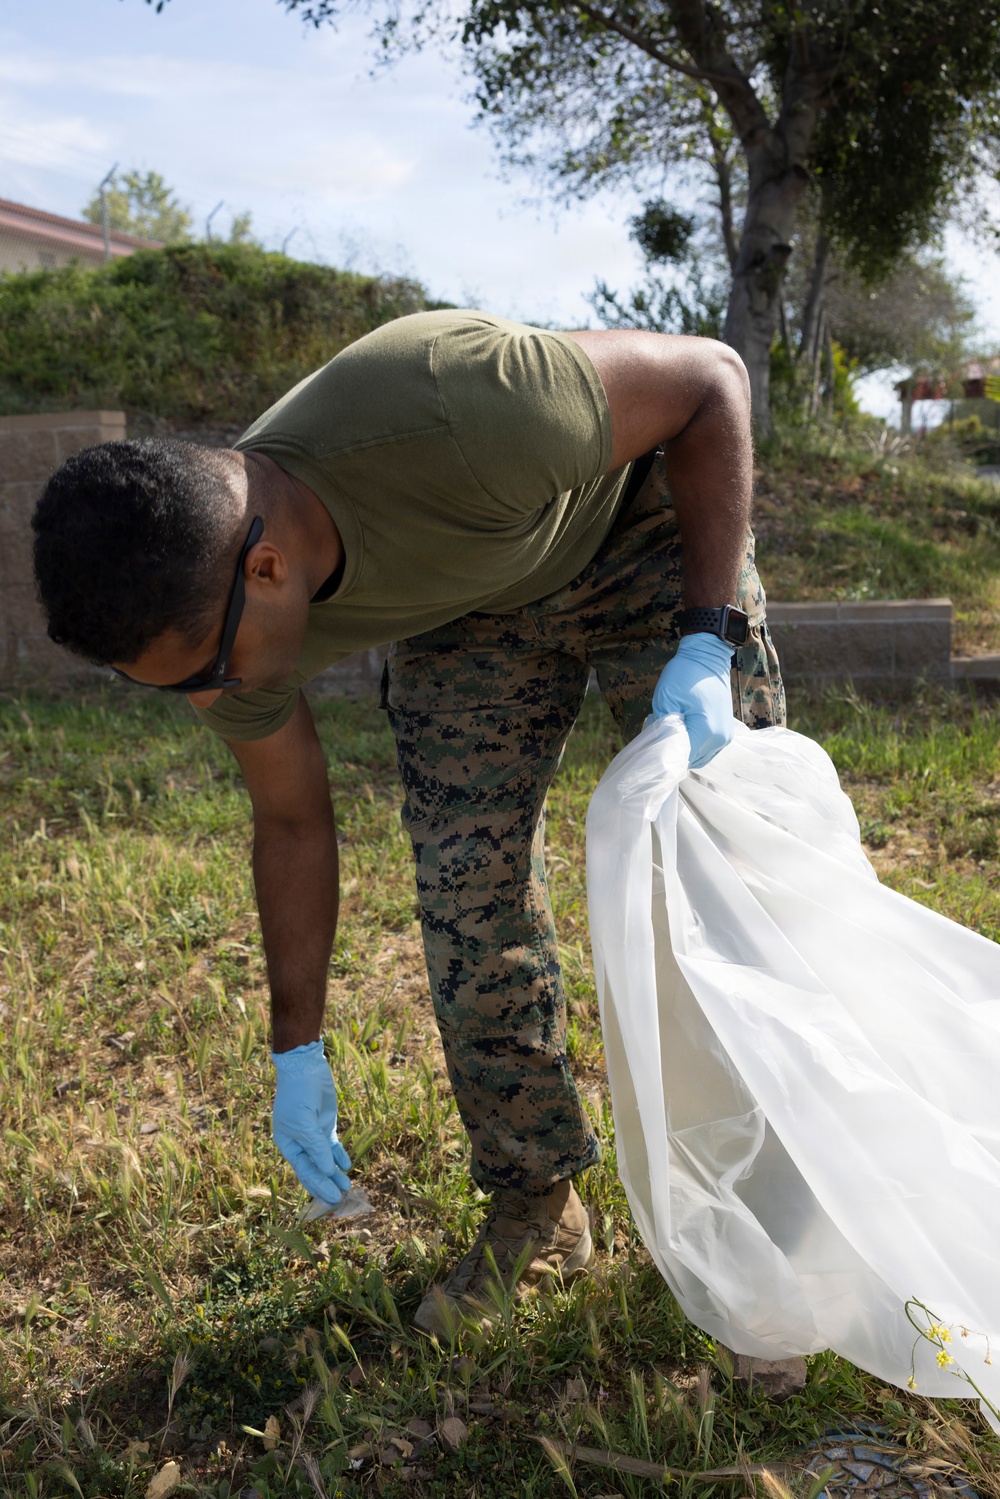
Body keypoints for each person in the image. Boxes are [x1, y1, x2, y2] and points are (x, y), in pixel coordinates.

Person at [31, 310, 784, 1342]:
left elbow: (711, 379)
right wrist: (296, 1043)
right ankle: (536, 1201)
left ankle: (762, 1218)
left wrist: (705, 640)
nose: (208, 699)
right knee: (467, 897)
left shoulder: (463, 403)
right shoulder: (206, 614)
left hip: (642, 540)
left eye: (206, 672)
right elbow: (292, 820)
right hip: (469, 609)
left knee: (719, 873)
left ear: (265, 571)